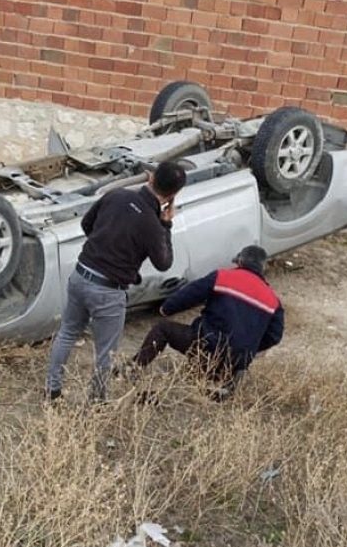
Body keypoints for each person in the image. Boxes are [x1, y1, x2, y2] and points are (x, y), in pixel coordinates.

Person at [45, 160, 187, 402]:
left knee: (67, 333)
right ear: (172, 195)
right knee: (105, 352)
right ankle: (97, 402)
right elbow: (164, 263)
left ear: (150, 178)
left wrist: (104, 246)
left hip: (81, 275)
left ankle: (52, 391)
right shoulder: (153, 225)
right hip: (108, 291)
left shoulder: (115, 195)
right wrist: (167, 224)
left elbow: (86, 224)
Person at [132, 245, 284, 398]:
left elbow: (191, 293)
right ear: (262, 268)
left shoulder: (222, 277)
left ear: (240, 261)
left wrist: (166, 308)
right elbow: (275, 336)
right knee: (232, 357)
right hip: (236, 360)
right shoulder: (273, 301)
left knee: (162, 329)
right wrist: (250, 347)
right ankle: (226, 380)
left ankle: (133, 368)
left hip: (206, 345)